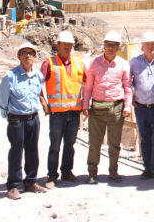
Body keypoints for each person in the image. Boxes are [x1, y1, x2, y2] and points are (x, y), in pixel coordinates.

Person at [0, 42, 47, 200]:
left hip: (33, 118)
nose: (27, 56)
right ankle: (13, 185)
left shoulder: (38, 75)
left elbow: (39, 93)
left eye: (30, 53)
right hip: (17, 120)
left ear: (35, 57)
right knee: (16, 151)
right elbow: (2, 101)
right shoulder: (10, 77)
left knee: (33, 150)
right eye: (24, 53)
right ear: (19, 56)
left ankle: (31, 181)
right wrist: (10, 117)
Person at [82, 30, 132, 184]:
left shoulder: (124, 65)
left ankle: (113, 171)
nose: (110, 48)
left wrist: (127, 106)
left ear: (118, 47)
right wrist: (85, 104)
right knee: (95, 143)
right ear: (103, 46)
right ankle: (92, 172)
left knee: (114, 144)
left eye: (114, 45)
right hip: (97, 108)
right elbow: (88, 86)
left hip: (116, 108)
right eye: (108, 45)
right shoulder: (95, 63)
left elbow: (128, 87)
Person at [40, 30, 87, 189]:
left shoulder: (79, 64)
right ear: (57, 45)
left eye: (70, 44)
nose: (67, 47)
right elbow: (36, 83)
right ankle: (52, 175)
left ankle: (67, 171)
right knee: (55, 145)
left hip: (74, 112)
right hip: (57, 114)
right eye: (64, 44)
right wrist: (43, 101)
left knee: (70, 144)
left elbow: (89, 83)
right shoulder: (49, 63)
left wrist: (86, 104)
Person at [130, 31, 154, 181]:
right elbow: (128, 81)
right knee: (145, 138)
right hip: (141, 108)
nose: (151, 47)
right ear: (142, 47)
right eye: (148, 45)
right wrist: (131, 96)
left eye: (153, 44)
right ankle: (147, 169)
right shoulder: (134, 62)